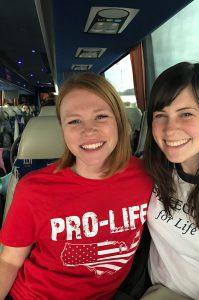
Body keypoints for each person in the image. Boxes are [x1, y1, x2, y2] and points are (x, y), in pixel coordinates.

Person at [0, 73, 153, 300]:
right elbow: (9, 261)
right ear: (63, 130)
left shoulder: (146, 175)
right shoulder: (34, 189)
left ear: (119, 122)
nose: (88, 130)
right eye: (74, 121)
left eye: (100, 116)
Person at [143, 62, 199, 300]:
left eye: (186, 113)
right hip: (158, 292)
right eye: (161, 115)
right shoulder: (152, 170)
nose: (170, 129)